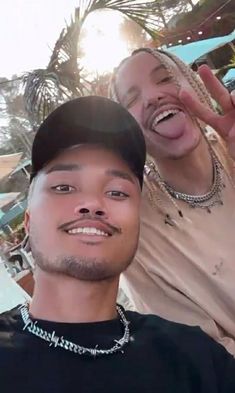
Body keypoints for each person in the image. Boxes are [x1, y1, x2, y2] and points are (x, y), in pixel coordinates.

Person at [1, 96, 235, 392]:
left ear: (137, 223)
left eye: (117, 192)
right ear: (29, 221)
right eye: (64, 187)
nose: (92, 203)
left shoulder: (195, 357)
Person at [109, 48, 235, 355]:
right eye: (131, 100)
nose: (153, 97)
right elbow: (209, 357)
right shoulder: (136, 235)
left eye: (165, 78)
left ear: (195, 84)